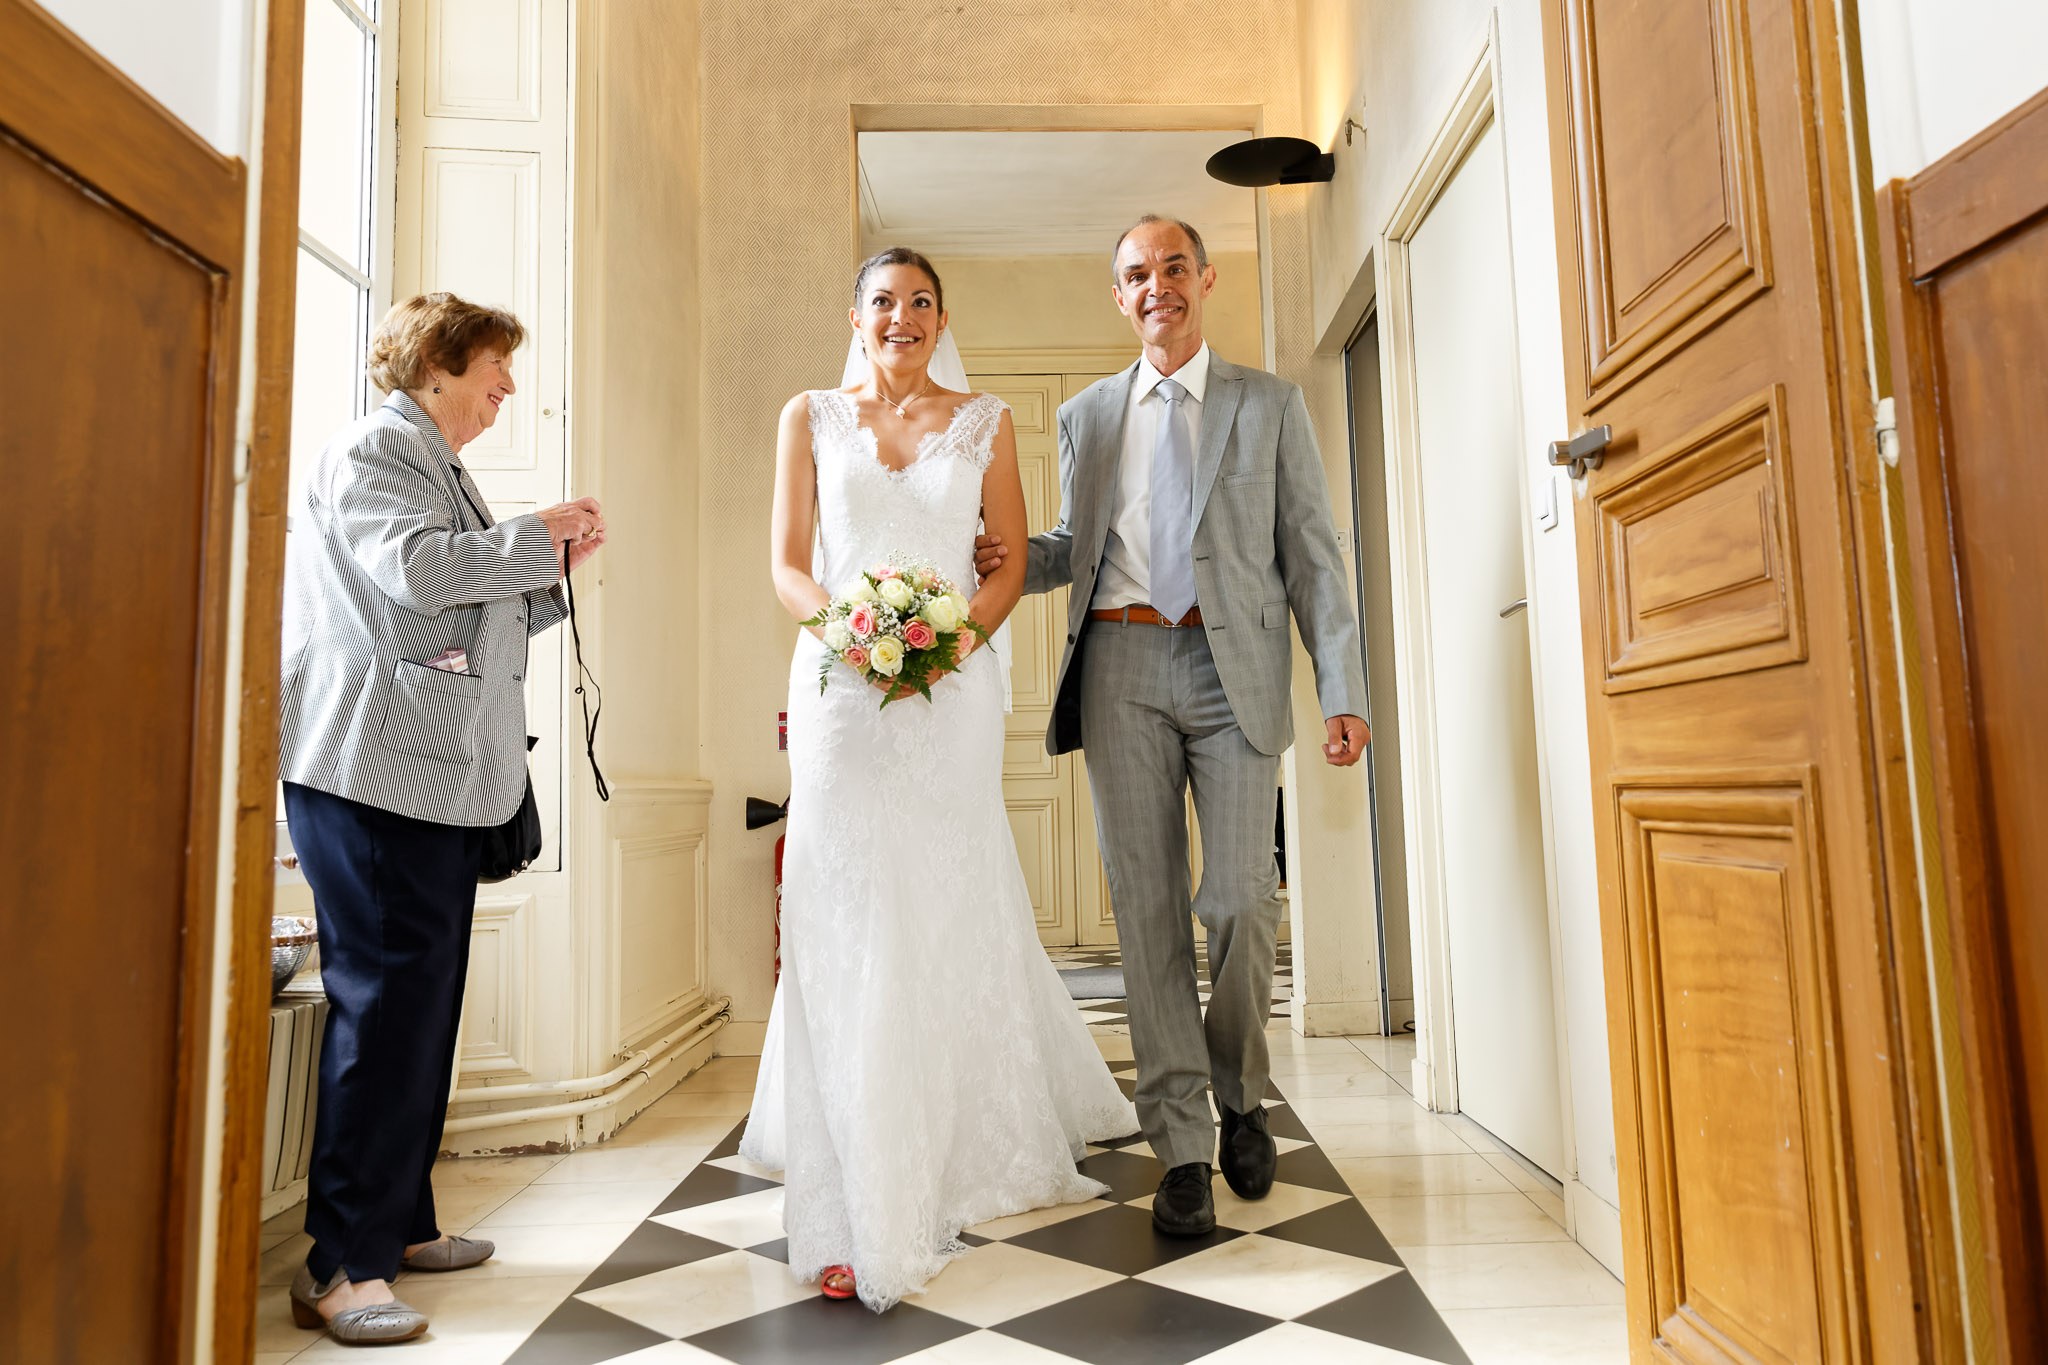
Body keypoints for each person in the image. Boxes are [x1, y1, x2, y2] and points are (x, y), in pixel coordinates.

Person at [742, 248, 1138, 1311]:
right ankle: (853, 1157)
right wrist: (853, 632)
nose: (902, 317)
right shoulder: (808, 416)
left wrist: (953, 642)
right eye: (883, 301)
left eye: (920, 303)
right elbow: (787, 562)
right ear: (856, 315)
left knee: (940, 894)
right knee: (843, 901)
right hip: (839, 689)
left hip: (952, 684)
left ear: (940, 317)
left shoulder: (984, 422)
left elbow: (1005, 560)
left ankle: (953, 1138)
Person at [976, 216, 1369, 1237]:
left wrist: (1342, 688)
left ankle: (1239, 1089)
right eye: (1135, 275)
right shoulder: (1088, 414)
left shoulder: (1269, 405)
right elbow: (1076, 542)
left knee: (1239, 896)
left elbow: (1313, 555)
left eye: (1172, 269)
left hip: (1229, 664)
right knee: (1144, 912)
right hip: (1117, 664)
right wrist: (994, 560)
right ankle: (1182, 1143)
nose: (1156, 287)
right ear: (1118, 296)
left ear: (1204, 279)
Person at [276, 292, 608, 1345]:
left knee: (421, 1007)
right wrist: (532, 534)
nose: (507, 388)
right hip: (374, 776)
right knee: (386, 1014)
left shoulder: (434, 461)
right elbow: (417, 575)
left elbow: (471, 607)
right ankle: (341, 1268)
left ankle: (400, 1223)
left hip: (425, 777)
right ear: (436, 364)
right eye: (494, 369)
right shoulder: (377, 449)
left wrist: (553, 560)